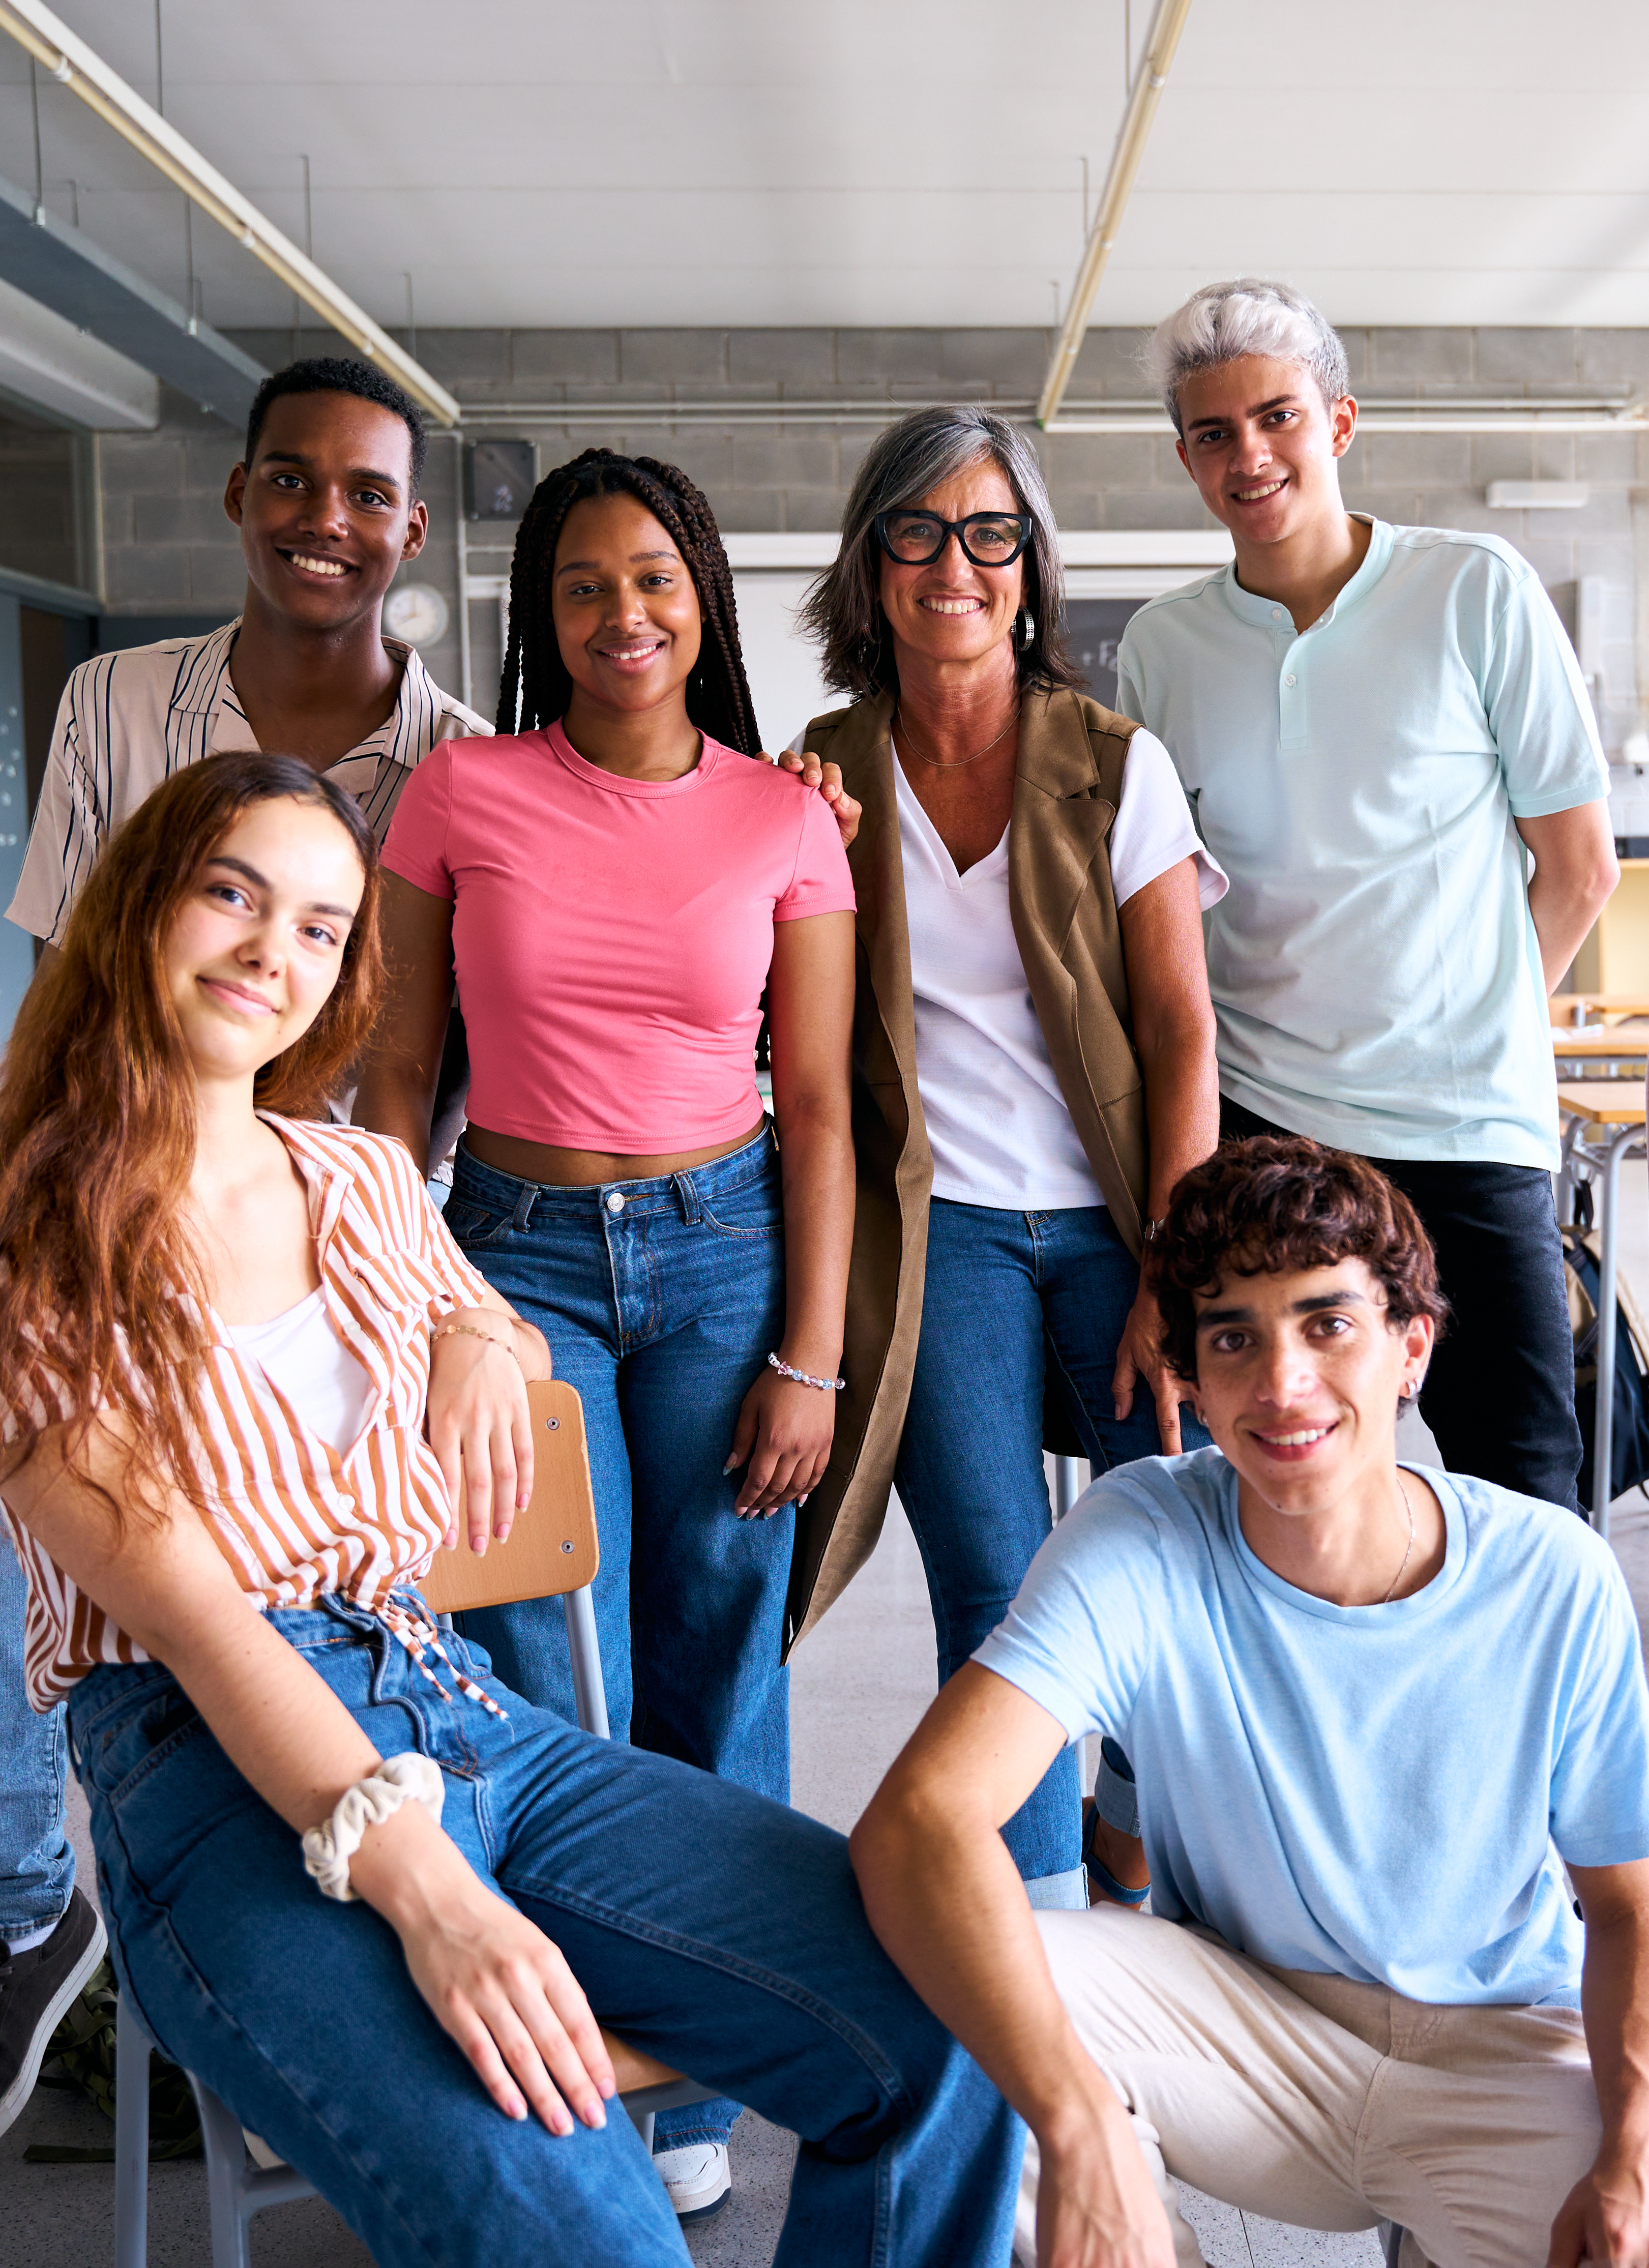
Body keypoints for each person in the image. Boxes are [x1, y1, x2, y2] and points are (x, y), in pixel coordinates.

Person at [0, 750, 1022, 2268]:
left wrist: (486, 1336)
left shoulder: (357, 1178)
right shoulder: (33, 1240)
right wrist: (434, 1898)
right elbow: (201, 1624)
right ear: (138, 903)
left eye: (323, 927)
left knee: (950, 2019)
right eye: (234, 894)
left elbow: (497, 1316)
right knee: (596, 2233)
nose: (274, 952)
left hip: (460, 1703)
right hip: (220, 1776)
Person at [851, 1134, 1649, 2268]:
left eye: (1326, 1323)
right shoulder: (1142, 1529)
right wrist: (1079, 2131)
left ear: (1409, 1348)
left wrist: (1628, 2156)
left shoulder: (1549, 1571)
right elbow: (918, 1822)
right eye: (1234, 1338)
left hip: (1499, 2045)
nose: (1280, 1384)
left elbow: (1627, 1905)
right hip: (1235, 2019)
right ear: (1191, 1373)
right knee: (958, 2005)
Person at [354, 447, 857, 2212]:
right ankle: (551, 2044)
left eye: (651, 576)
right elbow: (402, 1075)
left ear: (701, 594)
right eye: (581, 584)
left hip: (727, 1253)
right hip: (510, 1262)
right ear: (538, 615)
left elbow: (819, 1104)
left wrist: (812, 1352)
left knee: (721, 1651)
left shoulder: (787, 819)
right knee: (545, 1671)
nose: (620, 612)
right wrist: (394, 1290)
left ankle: (705, 2083)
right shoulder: (460, 793)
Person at [0, 353, 489, 2139]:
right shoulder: (121, 703)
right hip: (121, 1203)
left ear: (411, 534)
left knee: (338, 1583)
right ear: (240, 495)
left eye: (366, 496)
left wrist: (442, 1296)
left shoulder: (459, 752)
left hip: (353, 1226)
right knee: (106, 1575)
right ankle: (83, 1936)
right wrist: (46, 1199)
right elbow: (65, 970)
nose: (325, 521)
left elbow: (444, 1041)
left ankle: (307, 1960)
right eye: (295, 482)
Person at [783, 405, 1223, 1914]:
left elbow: (1179, 1031)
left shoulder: (1114, 764)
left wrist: (1176, 1263)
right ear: (873, 562)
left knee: (1184, 1552)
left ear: (1031, 565)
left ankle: (1170, 1859)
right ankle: (1038, 1952)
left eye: (989, 533)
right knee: (999, 1589)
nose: (951, 564)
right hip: (943, 1232)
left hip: (1118, 1226)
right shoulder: (822, 778)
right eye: (916, 529)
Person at [1114, 277, 1618, 1515]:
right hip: (1265, 1125)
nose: (1251, 455)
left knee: (1523, 1483)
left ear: (1338, 423)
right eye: (1215, 433)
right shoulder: (1159, 650)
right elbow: (1166, 908)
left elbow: (1578, 867)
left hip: (1462, 1125)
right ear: (1185, 458)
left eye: (1277, 417)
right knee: (1283, 1471)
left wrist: (1470, 1025)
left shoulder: (1474, 589)